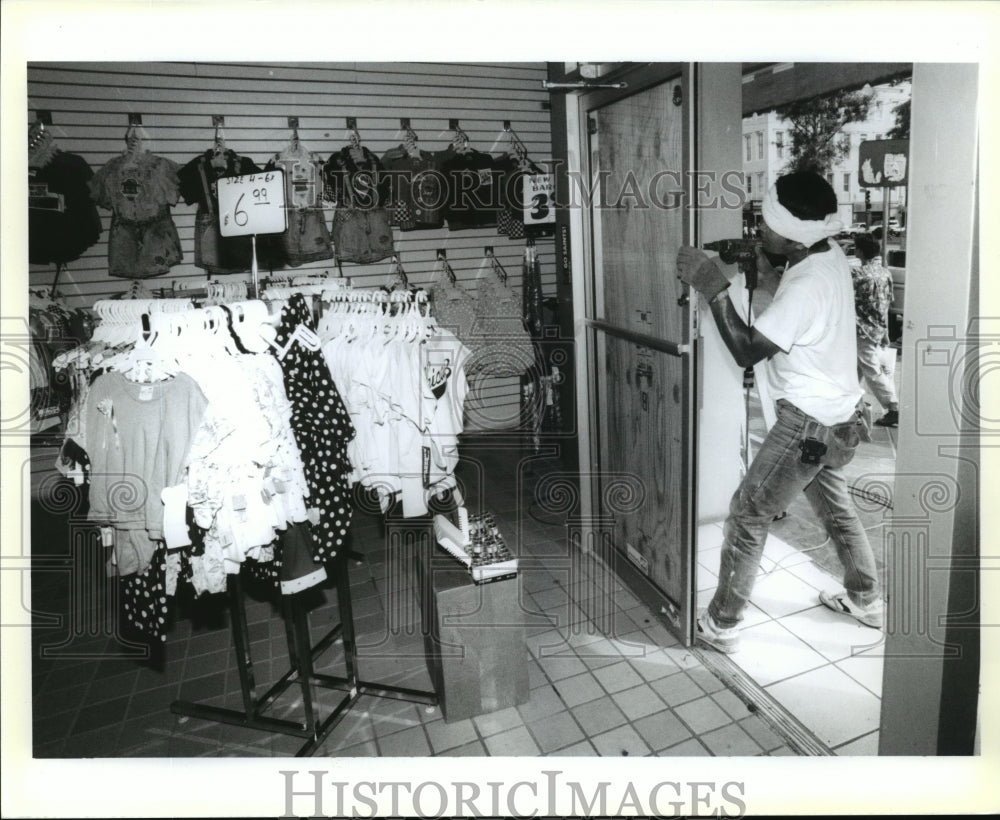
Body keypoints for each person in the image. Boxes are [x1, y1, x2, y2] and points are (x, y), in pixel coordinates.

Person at [676, 171, 882, 654]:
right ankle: (867, 599)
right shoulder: (826, 255)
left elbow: (748, 349)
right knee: (834, 509)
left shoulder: (806, 283)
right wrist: (765, 268)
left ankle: (722, 622)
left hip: (807, 424)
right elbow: (786, 306)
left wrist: (713, 286)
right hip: (838, 416)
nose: (757, 232)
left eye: (765, 226)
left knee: (748, 512)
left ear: (791, 234)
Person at [851, 232, 899, 427]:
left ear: (860, 251)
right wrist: (886, 332)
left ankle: (893, 407)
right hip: (877, 329)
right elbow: (887, 304)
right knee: (857, 369)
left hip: (862, 329)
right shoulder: (885, 273)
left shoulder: (857, 274)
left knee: (871, 370)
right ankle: (851, 403)